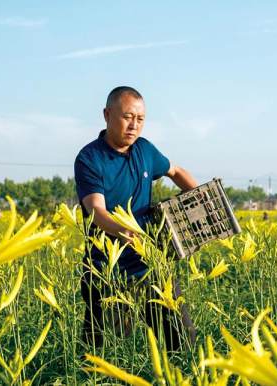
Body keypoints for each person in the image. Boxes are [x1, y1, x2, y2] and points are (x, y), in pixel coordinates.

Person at [74, 86, 197, 351]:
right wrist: (131, 234)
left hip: (151, 267)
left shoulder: (145, 151)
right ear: (107, 115)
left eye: (140, 119)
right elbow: (96, 211)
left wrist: (200, 198)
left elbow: (175, 171)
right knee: (112, 354)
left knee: (182, 340)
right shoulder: (90, 158)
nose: (134, 125)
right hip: (108, 272)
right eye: (127, 117)